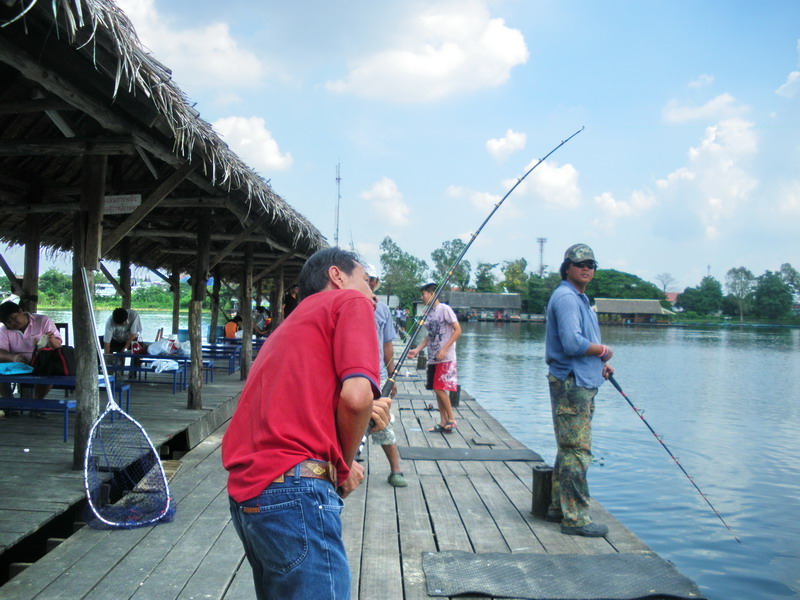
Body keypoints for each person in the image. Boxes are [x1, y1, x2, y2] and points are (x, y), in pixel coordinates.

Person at [222, 247, 392, 600]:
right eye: (365, 279)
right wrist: (341, 468)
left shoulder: (291, 326)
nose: (372, 293)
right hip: (293, 496)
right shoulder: (350, 302)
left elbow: (309, 412)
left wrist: (354, 428)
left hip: (250, 497)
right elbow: (356, 398)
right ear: (337, 276)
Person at [544, 243, 615, 538]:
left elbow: (579, 345)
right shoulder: (567, 298)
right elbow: (573, 344)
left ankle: (558, 507)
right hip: (572, 384)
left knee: (569, 449)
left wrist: (599, 363)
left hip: (582, 380)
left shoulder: (580, 298)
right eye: (580, 263)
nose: (587, 268)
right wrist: (604, 350)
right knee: (577, 451)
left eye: (591, 264)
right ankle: (575, 518)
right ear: (567, 268)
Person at [364, 264, 407, 488]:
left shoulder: (382, 310)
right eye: (366, 278)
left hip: (377, 376)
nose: (370, 282)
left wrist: (392, 376)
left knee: (383, 422)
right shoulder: (345, 304)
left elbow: (388, 345)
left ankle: (395, 469)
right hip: (351, 377)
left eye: (373, 279)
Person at [408, 283, 461, 433]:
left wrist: (444, 349)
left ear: (432, 294)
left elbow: (458, 330)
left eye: (424, 294)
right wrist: (417, 350)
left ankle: (451, 419)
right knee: (436, 389)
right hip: (433, 357)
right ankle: (443, 422)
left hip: (446, 357)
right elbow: (430, 336)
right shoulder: (429, 313)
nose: (422, 297)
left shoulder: (444, 309)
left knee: (439, 388)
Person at [0, 301, 63, 408]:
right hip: (17, 365)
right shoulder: (5, 330)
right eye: (8, 322)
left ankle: (36, 403)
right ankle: (9, 403)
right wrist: (13, 357)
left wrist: (51, 340)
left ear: (20, 311)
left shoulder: (43, 320)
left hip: (41, 363)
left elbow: (58, 346)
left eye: (14, 318)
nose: (12, 323)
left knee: (49, 366)